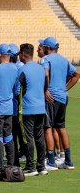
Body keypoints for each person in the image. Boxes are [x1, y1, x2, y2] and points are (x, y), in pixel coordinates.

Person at [39, 37, 80, 170]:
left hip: (51, 97)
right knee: (61, 127)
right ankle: (68, 161)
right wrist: (65, 89)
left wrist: (45, 90)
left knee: (48, 128)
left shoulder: (46, 59)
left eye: (43, 46)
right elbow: (76, 75)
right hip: (63, 97)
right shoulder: (64, 59)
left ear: (48, 48)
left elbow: (45, 74)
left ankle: (51, 162)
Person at [14, 44, 48, 176]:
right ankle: (42, 166)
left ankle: (30, 166)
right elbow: (45, 85)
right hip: (41, 107)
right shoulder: (40, 68)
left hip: (27, 109)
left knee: (27, 137)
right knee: (39, 137)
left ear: (23, 54)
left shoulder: (23, 70)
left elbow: (17, 90)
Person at [9, 43, 27, 166]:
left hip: (18, 102)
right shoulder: (16, 66)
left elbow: (17, 89)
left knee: (20, 130)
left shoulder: (18, 67)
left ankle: (23, 153)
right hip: (16, 102)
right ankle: (19, 153)